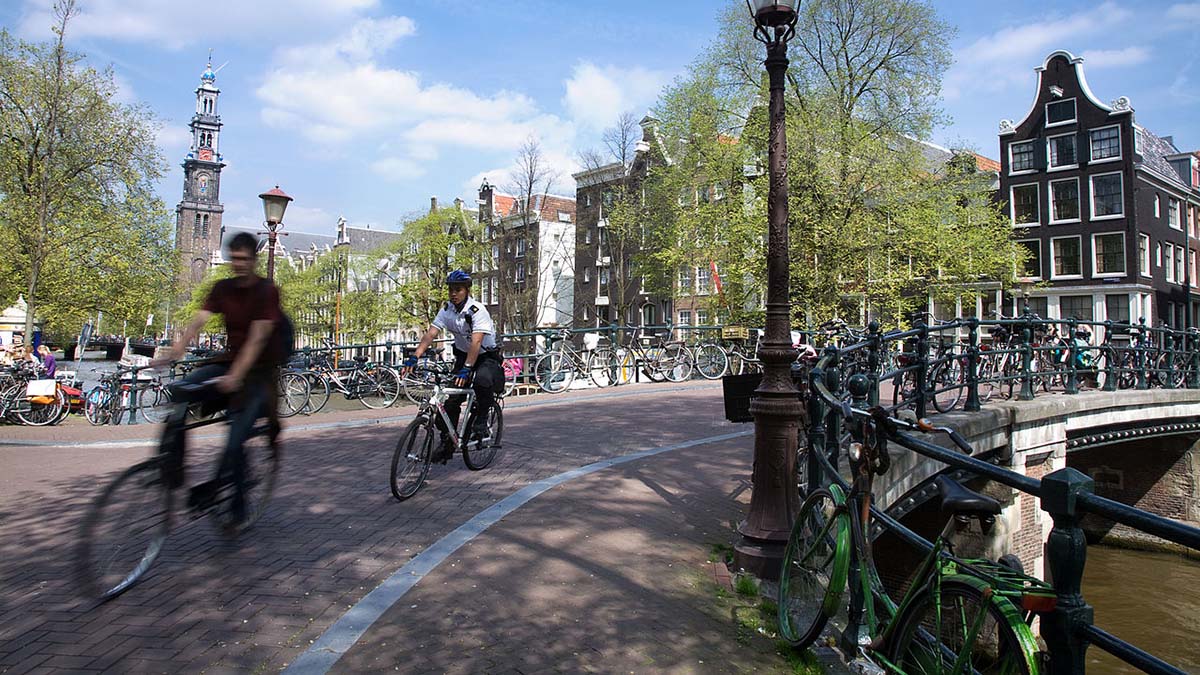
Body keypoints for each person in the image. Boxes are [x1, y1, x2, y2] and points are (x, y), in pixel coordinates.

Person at [153, 232, 282, 526]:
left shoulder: (266, 292)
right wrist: (175, 351)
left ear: (254, 260)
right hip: (227, 363)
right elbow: (198, 320)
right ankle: (171, 470)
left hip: (258, 375)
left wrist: (236, 376)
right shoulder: (222, 288)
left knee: (235, 440)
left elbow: (258, 338)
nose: (238, 264)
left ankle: (238, 508)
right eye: (234, 259)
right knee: (179, 391)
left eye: (244, 259)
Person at [401, 270, 503, 460]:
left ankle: (481, 420)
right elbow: (431, 334)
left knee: (482, 381)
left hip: (485, 356)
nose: (453, 294)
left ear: (467, 291)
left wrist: (467, 369)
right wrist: (415, 356)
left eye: (458, 290)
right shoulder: (447, 310)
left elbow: (476, 342)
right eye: (451, 290)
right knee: (450, 401)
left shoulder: (477, 310)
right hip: (463, 356)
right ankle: (448, 442)